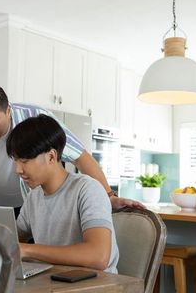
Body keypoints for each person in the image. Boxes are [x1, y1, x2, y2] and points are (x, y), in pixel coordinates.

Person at [0, 84, 142, 212]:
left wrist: (108, 197)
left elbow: (81, 157)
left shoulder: (34, 119)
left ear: (8, 111)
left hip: (32, 205)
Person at [6, 114, 118, 272]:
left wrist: (27, 250)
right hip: (55, 282)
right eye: (15, 161)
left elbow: (98, 257)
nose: (18, 169)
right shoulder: (34, 197)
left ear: (51, 156)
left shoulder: (88, 189)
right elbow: (12, 240)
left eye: (24, 161)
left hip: (97, 285)